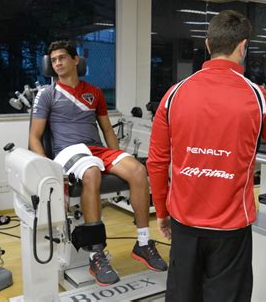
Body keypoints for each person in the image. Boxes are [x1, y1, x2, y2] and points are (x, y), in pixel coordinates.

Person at [147, 10, 266, 302]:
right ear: (243, 47)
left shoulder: (174, 94)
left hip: (184, 223)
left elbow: (156, 162)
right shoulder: (259, 97)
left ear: (208, 45)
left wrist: (161, 212)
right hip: (230, 230)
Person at [29, 40, 167, 287]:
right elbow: (35, 137)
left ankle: (144, 242)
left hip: (96, 149)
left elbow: (106, 129)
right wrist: (46, 171)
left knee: (137, 170)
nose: (58, 63)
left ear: (75, 60)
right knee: (91, 172)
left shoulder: (95, 92)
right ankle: (95, 254)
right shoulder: (47, 94)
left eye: (62, 58)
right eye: (53, 60)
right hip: (68, 152)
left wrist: (117, 159)